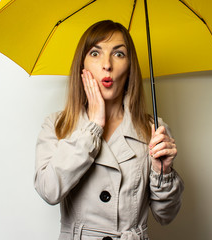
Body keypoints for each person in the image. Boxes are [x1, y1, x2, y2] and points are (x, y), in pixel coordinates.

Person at [34, 20, 184, 240]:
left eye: (119, 54)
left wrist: (164, 172)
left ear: (130, 66)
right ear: (82, 66)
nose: (107, 64)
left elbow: (166, 215)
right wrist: (92, 127)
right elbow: (49, 190)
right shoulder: (57, 125)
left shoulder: (153, 130)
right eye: (95, 53)